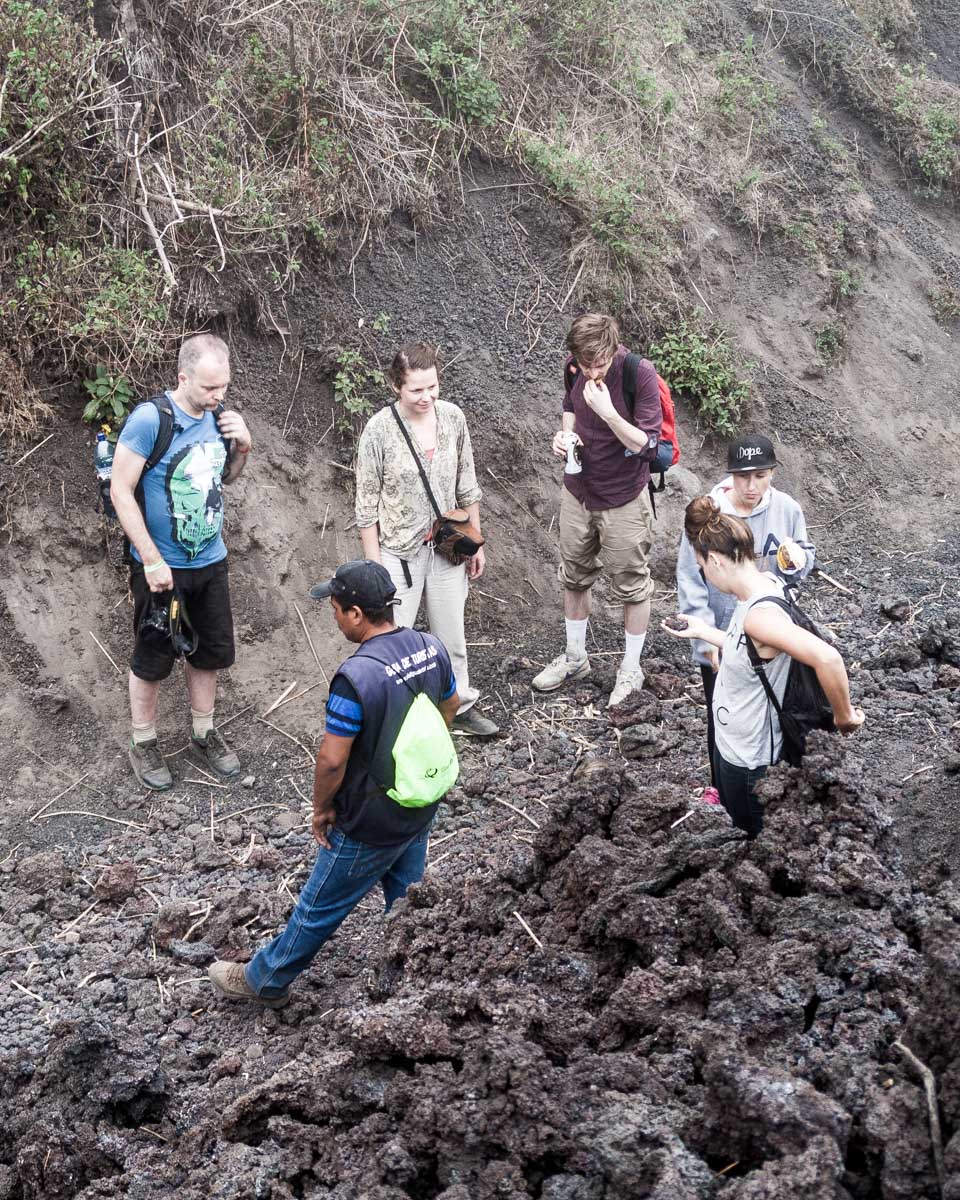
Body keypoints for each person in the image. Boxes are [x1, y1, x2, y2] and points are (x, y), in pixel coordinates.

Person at [208, 559, 460, 1007]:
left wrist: (323, 808)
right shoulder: (430, 646)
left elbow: (331, 760)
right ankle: (407, 972)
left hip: (370, 819)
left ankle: (265, 980)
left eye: (337, 607)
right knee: (406, 894)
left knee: (318, 908)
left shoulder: (355, 677)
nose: (335, 615)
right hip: (419, 800)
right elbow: (450, 705)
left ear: (356, 614)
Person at [663, 497, 864, 837]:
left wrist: (844, 718)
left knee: (751, 840)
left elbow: (828, 657)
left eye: (703, 568)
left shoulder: (759, 616)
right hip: (735, 746)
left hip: (751, 762)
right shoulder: (764, 586)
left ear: (715, 560)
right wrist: (706, 633)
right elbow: (753, 655)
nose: (706, 576)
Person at [111, 334, 252, 791]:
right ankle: (143, 742)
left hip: (210, 559)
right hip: (160, 565)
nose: (218, 397)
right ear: (183, 377)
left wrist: (243, 449)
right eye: (210, 388)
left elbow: (223, 479)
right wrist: (150, 559)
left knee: (208, 652)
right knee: (153, 656)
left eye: (223, 387)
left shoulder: (221, 419)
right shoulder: (151, 420)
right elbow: (120, 490)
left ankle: (204, 733)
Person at [354, 342, 498, 737]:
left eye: (432, 386)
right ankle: (390, 719)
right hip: (398, 552)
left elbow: (467, 483)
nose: (426, 397)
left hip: (447, 550)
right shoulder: (379, 430)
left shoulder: (452, 418)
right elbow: (365, 505)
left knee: (451, 633)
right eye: (416, 389)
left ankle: (460, 705)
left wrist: (476, 540)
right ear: (396, 386)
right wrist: (374, 567)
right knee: (391, 641)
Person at [676, 433, 816, 804]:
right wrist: (705, 642)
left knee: (778, 706)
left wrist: (798, 562)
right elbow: (690, 577)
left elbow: (804, 556)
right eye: (742, 477)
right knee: (721, 711)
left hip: (772, 630)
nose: (751, 486)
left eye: (760, 476)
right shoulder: (710, 514)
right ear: (730, 476)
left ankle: (778, 783)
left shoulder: (787, 508)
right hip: (722, 632)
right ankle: (721, 787)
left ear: (772, 473)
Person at [533, 312, 663, 707]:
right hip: (578, 492)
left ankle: (630, 668)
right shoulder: (574, 367)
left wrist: (608, 411)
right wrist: (565, 433)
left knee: (631, 583)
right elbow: (568, 404)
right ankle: (575, 658)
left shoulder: (638, 373)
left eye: (598, 364)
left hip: (623, 496)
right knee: (573, 575)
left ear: (612, 349)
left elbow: (648, 445)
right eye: (584, 364)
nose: (591, 371)